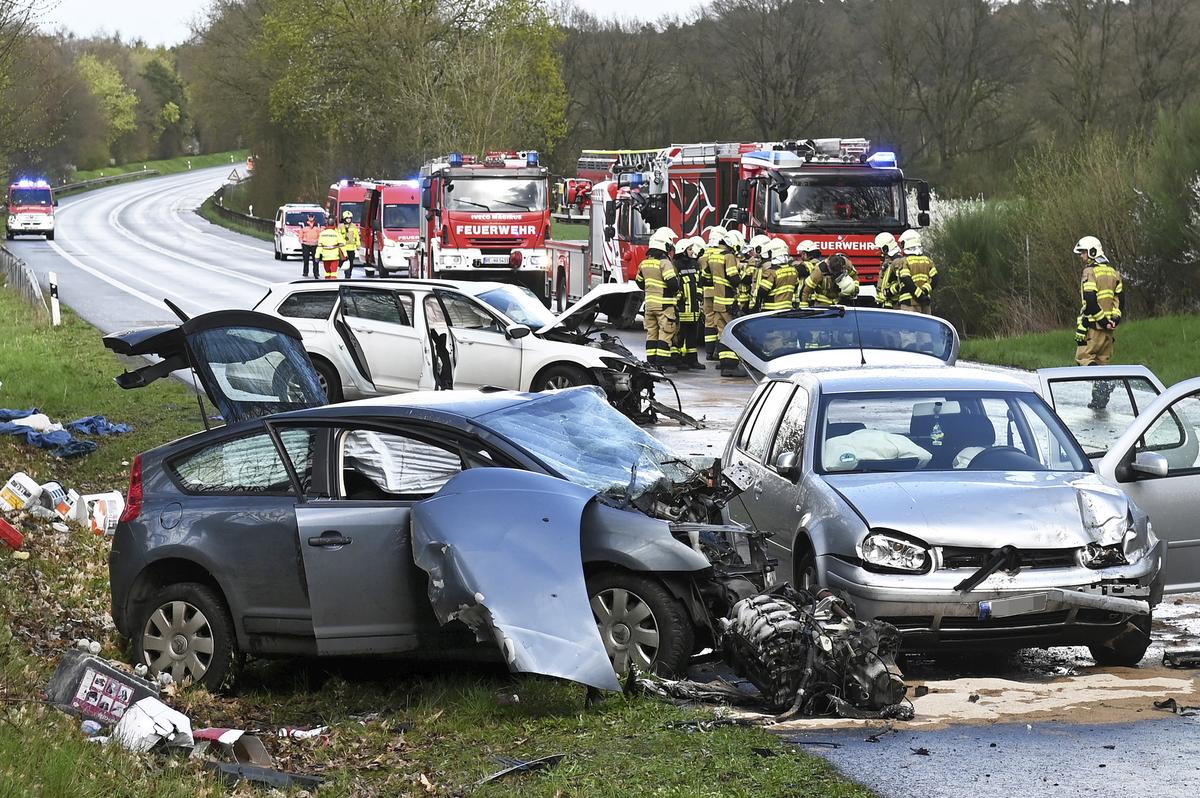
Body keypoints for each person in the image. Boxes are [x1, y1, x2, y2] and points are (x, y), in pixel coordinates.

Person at [1073, 235, 1124, 409]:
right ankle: (1099, 402)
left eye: (1084, 252)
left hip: (1093, 329)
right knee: (1102, 365)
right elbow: (1120, 301)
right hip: (1109, 332)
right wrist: (1114, 320)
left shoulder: (1089, 272)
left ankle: (1105, 384)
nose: (1082, 256)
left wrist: (1102, 321)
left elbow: (1090, 300)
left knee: (1084, 358)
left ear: (1093, 252)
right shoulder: (1113, 272)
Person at [635, 229, 680, 372]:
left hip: (649, 305)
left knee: (651, 333)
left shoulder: (644, 263)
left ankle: (652, 363)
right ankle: (663, 364)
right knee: (665, 333)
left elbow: (640, 283)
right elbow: (673, 284)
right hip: (664, 305)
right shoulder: (664, 263)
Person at [712, 230, 745, 377]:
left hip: (717, 301)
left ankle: (724, 363)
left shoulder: (713, 257)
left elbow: (706, 277)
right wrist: (742, 276)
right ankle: (731, 366)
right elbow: (734, 278)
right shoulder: (729, 256)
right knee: (733, 332)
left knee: (722, 333)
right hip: (728, 301)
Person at [674, 237, 706, 370]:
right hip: (683, 307)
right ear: (682, 250)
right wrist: (679, 298)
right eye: (689, 249)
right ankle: (679, 360)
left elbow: (699, 282)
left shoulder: (695, 264)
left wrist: (699, 295)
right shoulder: (676, 264)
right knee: (680, 335)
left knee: (693, 335)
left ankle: (692, 360)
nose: (692, 252)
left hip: (694, 307)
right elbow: (675, 284)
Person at [700, 226, 727, 361]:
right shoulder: (722, 254)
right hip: (720, 292)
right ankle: (718, 352)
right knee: (720, 322)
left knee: (709, 321)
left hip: (706, 292)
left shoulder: (704, 254)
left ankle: (709, 352)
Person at [895, 229, 938, 313]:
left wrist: (919, 295)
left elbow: (906, 280)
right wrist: (924, 291)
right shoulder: (928, 261)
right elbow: (935, 279)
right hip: (925, 303)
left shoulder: (904, 261)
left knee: (909, 326)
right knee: (925, 325)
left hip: (909, 303)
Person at [874, 232, 901, 309]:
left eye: (880, 249)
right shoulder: (889, 260)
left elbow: (901, 282)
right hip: (886, 303)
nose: (879, 251)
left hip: (894, 304)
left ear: (885, 248)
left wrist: (890, 292)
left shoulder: (897, 261)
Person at [338, 210, 362, 278]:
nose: (348, 220)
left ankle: (349, 273)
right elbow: (339, 236)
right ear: (344, 219)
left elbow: (357, 236)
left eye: (350, 218)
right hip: (344, 248)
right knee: (345, 262)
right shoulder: (340, 226)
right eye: (347, 218)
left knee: (351, 263)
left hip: (352, 248)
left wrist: (358, 245)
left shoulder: (354, 226)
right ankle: (347, 275)